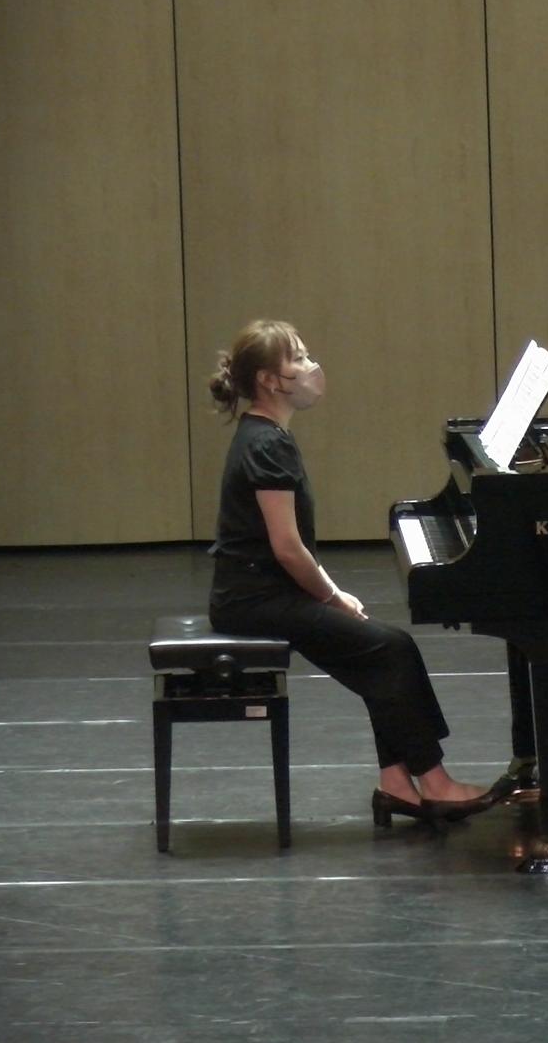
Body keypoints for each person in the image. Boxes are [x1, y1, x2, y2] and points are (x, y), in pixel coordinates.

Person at [206, 319, 498, 828]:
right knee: (389, 651)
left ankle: (396, 784)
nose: (311, 367)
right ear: (269, 381)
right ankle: (434, 784)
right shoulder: (267, 445)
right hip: (253, 599)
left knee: (384, 651)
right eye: (298, 358)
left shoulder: (265, 435)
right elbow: (287, 548)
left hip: (261, 591)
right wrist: (333, 596)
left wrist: (328, 595)